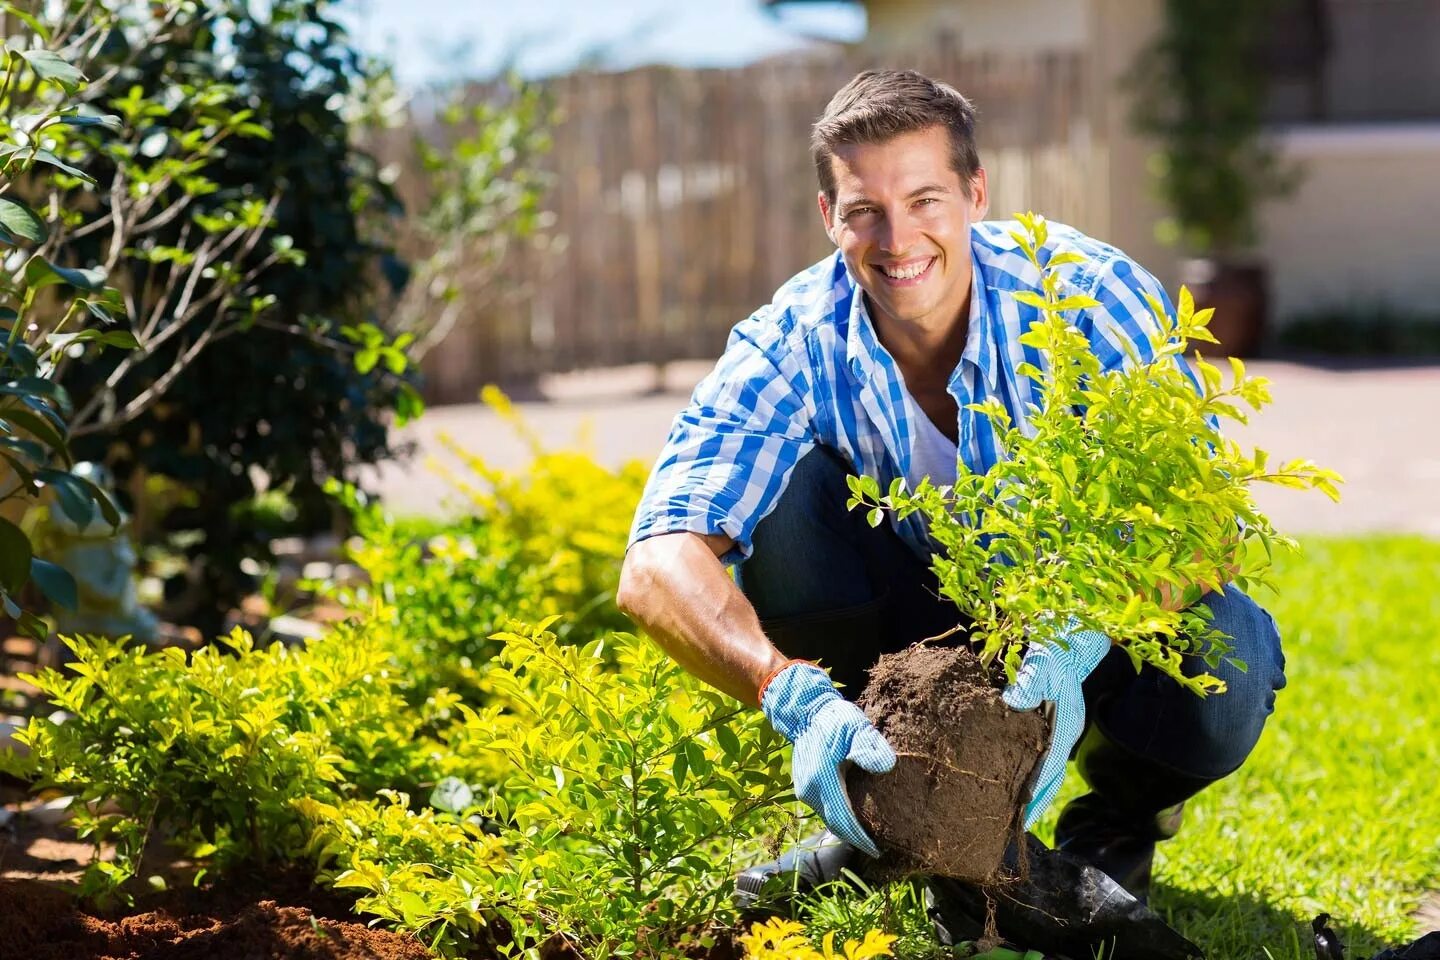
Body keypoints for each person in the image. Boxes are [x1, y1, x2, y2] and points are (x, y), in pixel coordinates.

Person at [615, 69, 1285, 907]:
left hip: (1083, 616)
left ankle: (1116, 821)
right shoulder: (791, 339)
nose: (898, 240)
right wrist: (783, 688)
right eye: (865, 211)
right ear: (830, 219)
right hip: (908, 636)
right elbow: (656, 561)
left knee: (1229, 652)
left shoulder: (1079, 294)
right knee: (781, 498)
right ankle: (883, 802)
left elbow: (1205, 515)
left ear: (974, 192)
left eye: (925, 200)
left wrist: (1082, 634)